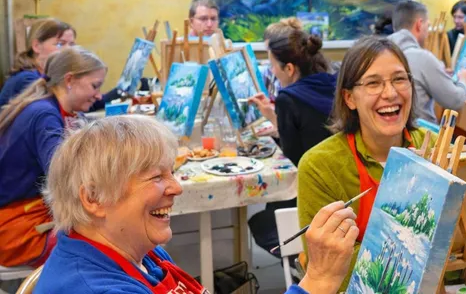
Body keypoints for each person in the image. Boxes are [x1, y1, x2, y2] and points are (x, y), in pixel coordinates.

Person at [35, 115, 358, 294]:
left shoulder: (139, 251)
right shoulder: (95, 288)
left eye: (171, 173)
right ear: (93, 199)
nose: (176, 187)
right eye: (156, 177)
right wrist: (318, 281)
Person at [296, 36, 437, 288]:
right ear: (349, 98)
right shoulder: (320, 166)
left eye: (399, 79)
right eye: (373, 83)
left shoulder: (437, 148)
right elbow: (330, 265)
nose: (390, 93)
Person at [0, 47, 106, 267]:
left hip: (25, 215)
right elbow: (64, 179)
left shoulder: (52, 108)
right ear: (69, 80)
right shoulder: (45, 115)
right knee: (107, 243)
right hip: (16, 228)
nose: (99, 95)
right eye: (94, 86)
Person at [251, 18, 337, 167]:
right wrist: (271, 115)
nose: (272, 71)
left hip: (313, 180)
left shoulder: (288, 99)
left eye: (273, 65)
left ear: (289, 69)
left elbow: (292, 157)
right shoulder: (332, 83)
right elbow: (307, 133)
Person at [389, 0, 466, 123]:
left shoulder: (382, 53)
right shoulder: (422, 58)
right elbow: (455, 101)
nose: (428, 31)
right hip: (419, 136)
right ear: (419, 24)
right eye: (427, 26)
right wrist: (464, 80)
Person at [0, 18, 66, 108]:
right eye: (60, 44)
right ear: (36, 46)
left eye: (72, 44)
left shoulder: (47, 75)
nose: (69, 50)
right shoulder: (27, 79)